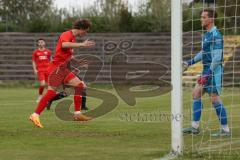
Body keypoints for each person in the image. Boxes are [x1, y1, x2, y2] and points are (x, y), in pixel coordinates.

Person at [29, 19, 95, 128]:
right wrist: (82, 44)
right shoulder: (67, 34)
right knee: (52, 92)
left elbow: (68, 55)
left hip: (62, 68)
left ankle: (77, 114)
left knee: (79, 85)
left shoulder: (72, 38)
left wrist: (78, 62)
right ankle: (35, 115)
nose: (86, 33)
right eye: (86, 31)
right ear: (81, 29)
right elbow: (64, 45)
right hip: (56, 69)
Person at [183, 8, 231, 137]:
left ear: (211, 19)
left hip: (213, 72)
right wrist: (190, 62)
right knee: (196, 93)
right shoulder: (206, 35)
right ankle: (195, 127)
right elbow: (204, 53)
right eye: (201, 17)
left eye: (204, 17)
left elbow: (217, 57)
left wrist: (208, 73)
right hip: (206, 70)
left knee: (214, 99)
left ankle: (225, 130)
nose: (201, 19)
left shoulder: (217, 35)